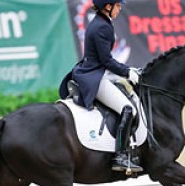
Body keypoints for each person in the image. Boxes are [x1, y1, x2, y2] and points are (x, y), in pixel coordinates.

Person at [59, 0, 143, 173]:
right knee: (128, 109)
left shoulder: (100, 22)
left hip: (94, 72)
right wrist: (127, 72)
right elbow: (106, 60)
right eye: (118, 5)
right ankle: (120, 156)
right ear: (108, 6)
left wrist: (128, 70)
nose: (120, 8)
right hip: (94, 77)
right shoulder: (102, 27)